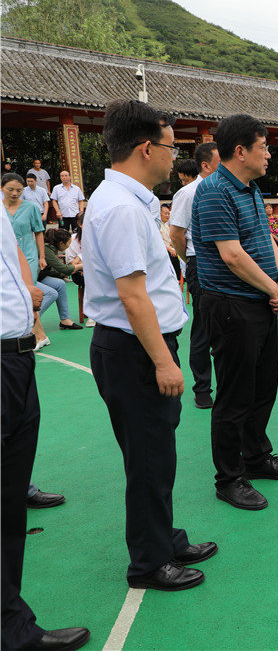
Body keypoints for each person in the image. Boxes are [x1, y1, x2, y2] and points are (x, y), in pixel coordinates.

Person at [83, 99, 217, 591]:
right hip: (136, 350)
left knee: (157, 452)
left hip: (141, 346)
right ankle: (149, 563)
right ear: (146, 148)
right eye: (169, 145)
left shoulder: (128, 200)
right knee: (147, 458)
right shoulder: (120, 207)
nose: (172, 155)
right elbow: (132, 295)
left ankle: (165, 537)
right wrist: (163, 360)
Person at [192, 113, 278, 511]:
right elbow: (232, 256)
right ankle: (229, 477)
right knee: (235, 396)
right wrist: (273, 287)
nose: (269, 155)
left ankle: (256, 458)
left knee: (263, 386)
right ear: (240, 151)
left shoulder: (250, 189)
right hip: (230, 306)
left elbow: (265, 240)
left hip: (259, 302)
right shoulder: (215, 191)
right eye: (263, 147)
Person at [2, 215, 91, 651]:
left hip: (17, 354)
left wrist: (27, 292)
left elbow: (12, 253)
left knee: (9, 502)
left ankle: (9, 623)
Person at [168, 141, 220, 410]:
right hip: (201, 263)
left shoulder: (228, 188)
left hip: (227, 264)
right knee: (203, 328)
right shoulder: (188, 194)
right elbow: (176, 234)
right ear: (205, 165)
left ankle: (226, 384)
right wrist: (190, 262)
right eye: (220, 160)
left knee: (227, 326)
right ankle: (202, 388)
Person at [3, 173, 54, 350]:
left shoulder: (31, 207)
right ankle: (38, 335)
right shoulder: (0, 209)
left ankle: (38, 336)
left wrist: (41, 257)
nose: (14, 193)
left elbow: (39, 232)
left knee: (28, 292)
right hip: (8, 257)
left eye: (18, 190)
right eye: (10, 189)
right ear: (2, 189)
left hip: (29, 254)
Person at [38, 229, 83, 331]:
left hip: (39, 276)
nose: (69, 246)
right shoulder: (46, 249)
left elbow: (53, 270)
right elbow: (63, 269)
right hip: (31, 278)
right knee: (52, 293)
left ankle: (65, 320)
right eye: (68, 244)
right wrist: (80, 267)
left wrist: (69, 271)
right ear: (61, 243)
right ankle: (32, 320)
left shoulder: (51, 248)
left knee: (60, 284)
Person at [159, 204, 182, 281]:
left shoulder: (166, 225)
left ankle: (179, 278)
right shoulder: (157, 225)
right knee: (173, 256)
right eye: (165, 213)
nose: (167, 215)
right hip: (163, 250)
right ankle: (176, 278)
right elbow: (159, 242)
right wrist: (170, 249)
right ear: (159, 214)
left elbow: (170, 241)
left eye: (168, 213)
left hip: (170, 248)